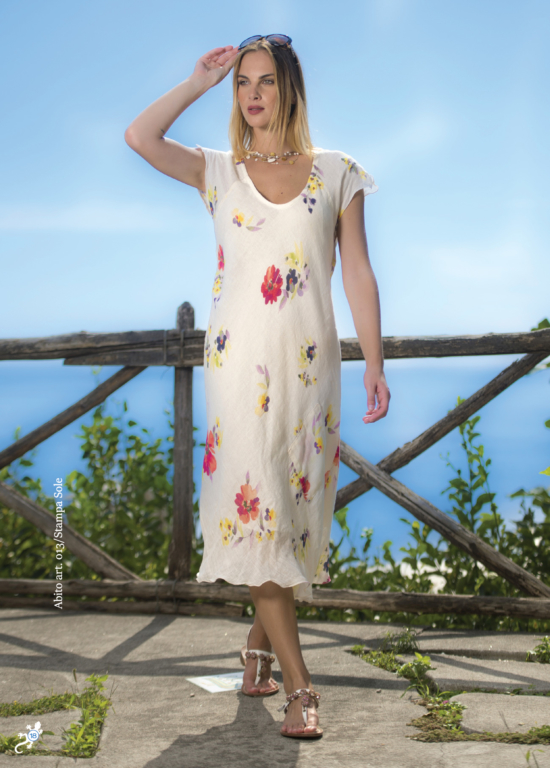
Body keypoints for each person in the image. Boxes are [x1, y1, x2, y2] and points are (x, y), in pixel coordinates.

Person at [125, 34, 390, 740]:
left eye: (265, 81)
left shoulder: (338, 172)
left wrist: (374, 361)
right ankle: (301, 689)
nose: (252, 94)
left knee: (291, 521)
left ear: (290, 88)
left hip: (309, 377)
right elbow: (139, 137)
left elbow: (357, 271)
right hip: (237, 375)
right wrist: (196, 83)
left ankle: (255, 653)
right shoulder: (219, 171)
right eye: (243, 82)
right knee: (260, 516)